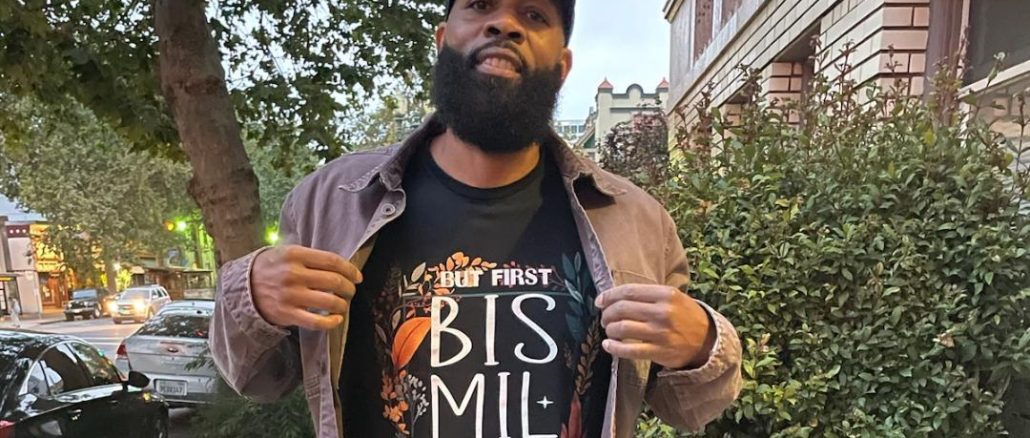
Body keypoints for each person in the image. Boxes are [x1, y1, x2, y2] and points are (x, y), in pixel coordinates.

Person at [210, 1, 742, 437]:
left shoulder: (634, 218)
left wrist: (701, 344)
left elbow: (690, 407)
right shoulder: (334, 200)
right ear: (443, 39)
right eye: (481, 6)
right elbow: (258, 378)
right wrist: (251, 295)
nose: (505, 24)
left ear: (562, 66)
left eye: (534, 15)